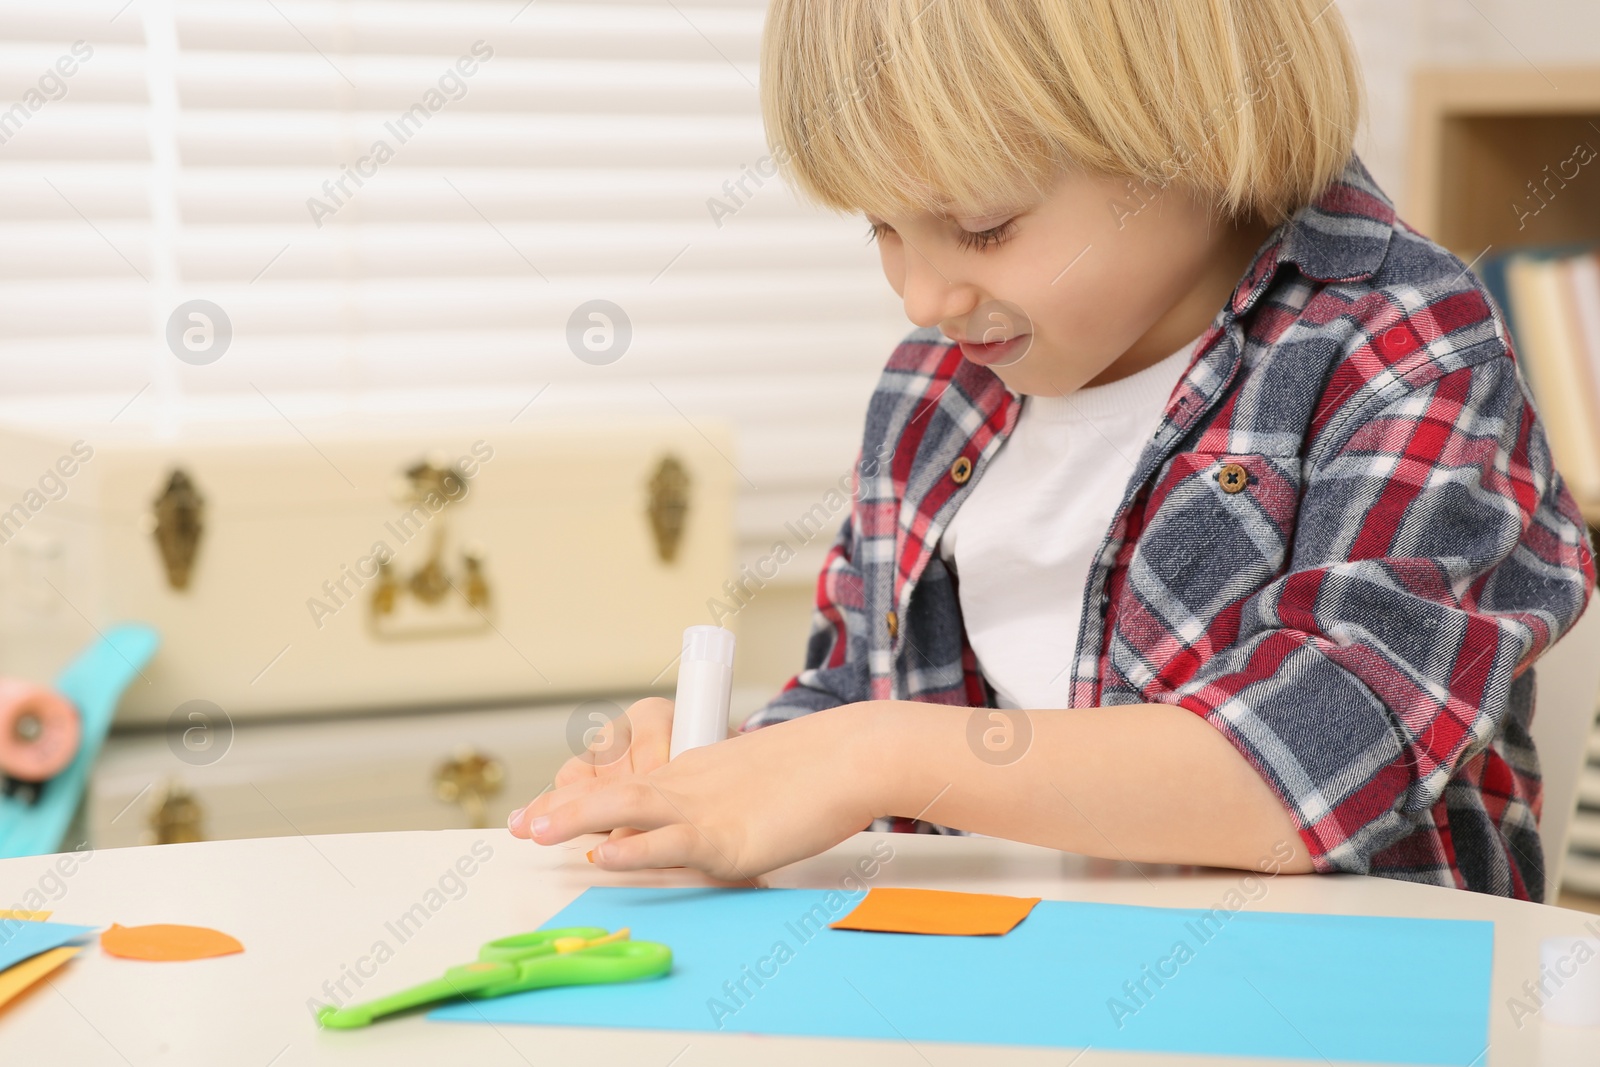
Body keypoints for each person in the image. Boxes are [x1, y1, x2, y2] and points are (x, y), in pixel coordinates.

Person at [509, 0, 1595, 901]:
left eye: (980, 227)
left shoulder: (1398, 345)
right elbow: (852, 704)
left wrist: (869, 753)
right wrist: (725, 771)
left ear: (1189, 135)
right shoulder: (934, 390)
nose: (925, 296)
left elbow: (1312, 758)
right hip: (1006, 991)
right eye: (881, 231)